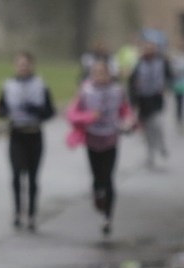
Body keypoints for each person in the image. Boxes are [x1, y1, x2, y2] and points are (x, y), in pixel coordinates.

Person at [65, 59, 134, 237]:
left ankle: (107, 217)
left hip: (111, 138)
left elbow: (126, 112)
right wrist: (89, 116)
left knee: (109, 176)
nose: (99, 75)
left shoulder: (118, 91)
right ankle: (97, 194)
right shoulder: (85, 91)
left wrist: (127, 122)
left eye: (102, 72)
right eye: (95, 72)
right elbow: (71, 114)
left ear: (109, 74)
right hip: (92, 138)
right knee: (97, 176)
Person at [0, 51, 56, 231]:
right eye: (19, 64)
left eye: (26, 64)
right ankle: (17, 212)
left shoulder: (40, 85)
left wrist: (37, 110)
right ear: (15, 66)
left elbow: (50, 112)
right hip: (16, 134)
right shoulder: (8, 85)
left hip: (34, 134)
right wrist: (6, 112)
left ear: (32, 66)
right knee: (16, 175)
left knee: (32, 177)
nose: (23, 67)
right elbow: (0, 109)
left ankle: (31, 213)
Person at [128, 37, 172, 167]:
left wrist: (166, 87)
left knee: (157, 125)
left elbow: (170, 77)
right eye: (146, 48)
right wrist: (133, 101)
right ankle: (150, 154)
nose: (148, 51)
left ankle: (161, 145)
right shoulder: (138, 64)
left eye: (151, 48)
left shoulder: (162, 62)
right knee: (146, 129)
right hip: (142, 100)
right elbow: (131, 84)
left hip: (156, 98)